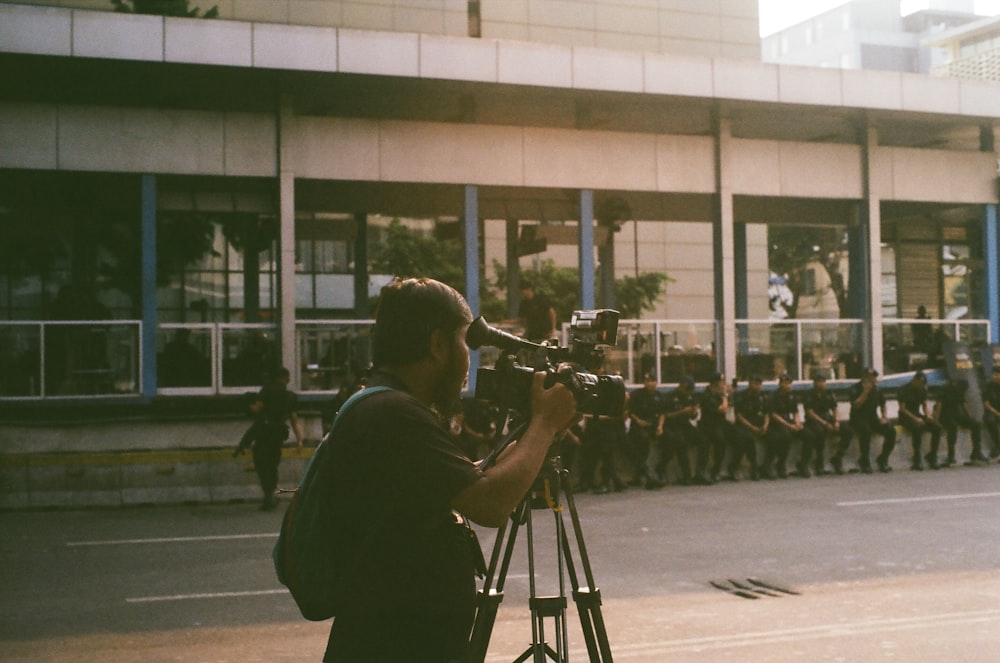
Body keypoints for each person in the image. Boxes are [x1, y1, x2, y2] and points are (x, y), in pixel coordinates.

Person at [322, 277, 577, 663]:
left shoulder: (380, 403)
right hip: (397, 646)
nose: (468, 359)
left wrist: (531, 435)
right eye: (464, 342)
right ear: (438, 344)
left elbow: (468, 480)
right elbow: (490, 504)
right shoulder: (395, 414)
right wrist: (543, 424)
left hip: (389, 639)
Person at [242, 367, 304, 510]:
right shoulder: (290, 397)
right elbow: (295, 421)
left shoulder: (267, 390)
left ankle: (269, 494)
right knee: (273, 463)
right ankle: (271, 494)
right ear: (286, 379)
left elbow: (257, 408)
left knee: (261, 463)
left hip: (264, 433)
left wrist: (247, 403)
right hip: (278, 435)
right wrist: (300, 440)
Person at [803, 372, 853, 475]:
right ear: (814, 383)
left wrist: (836, 421)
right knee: (819, 433)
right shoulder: (808, 394)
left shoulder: (829, 393)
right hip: (814, 420)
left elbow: (835, 409)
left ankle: (838, 457)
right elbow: (810, 413)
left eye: (823, 382)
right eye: (819, 382)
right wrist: (825, 423)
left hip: (827, 418)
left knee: (848, 430)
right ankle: (819, 462)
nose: (821, 384)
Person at [663, 375, 709, 485]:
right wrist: (681, 412)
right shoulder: (669, 396)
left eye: (690, 391)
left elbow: (693, 415)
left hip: (685, 424)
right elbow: (666, 415)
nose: (688, 393)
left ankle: (700, 472)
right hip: (672, 425)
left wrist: (693, 412)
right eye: (686, 390)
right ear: (681, 386)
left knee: (704, 441)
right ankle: (686, 474)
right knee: (681, 443)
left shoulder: (690, 397)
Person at [849, 368, 896, 473]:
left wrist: (884, 417)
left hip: (872, 418)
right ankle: (864, 460)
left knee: (890, 431)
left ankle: (883, 458)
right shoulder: (855, 388)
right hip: (858, 419)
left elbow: (883, 404)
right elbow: (856, 405)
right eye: (871, 377)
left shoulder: (877, 389)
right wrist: (865, 392)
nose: (873, 379)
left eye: (874, 377)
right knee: (866, 431)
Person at [627, 372, 666, 489]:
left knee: (671, 440)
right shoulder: (638, 395)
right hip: (638, 427)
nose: (649, 383)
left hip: (653, 426)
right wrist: (638, 421)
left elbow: (662, 413)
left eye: (651, 381)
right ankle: (649, 477)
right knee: (642, 442)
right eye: (647, 381)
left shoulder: (658, 396)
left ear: (656, 383)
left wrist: (660, 427)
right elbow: (629, 411)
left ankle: (659, 470)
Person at [898, 370, 943, 470]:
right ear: (915, 380)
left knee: (937, 428)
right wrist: (916, 419)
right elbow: (903, 409)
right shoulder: (904, 389)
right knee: (916, 428)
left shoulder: (922, 390)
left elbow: (924, 405)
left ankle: (932, 455)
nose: (921, 385)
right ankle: (917, 458)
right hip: (905, 417)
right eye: (920, 383)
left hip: (917, 414)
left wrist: (928, 415)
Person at [935, 378, 986, 466]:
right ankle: (951, 455)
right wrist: (936, 420)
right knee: (952, 427)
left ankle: (976, 452)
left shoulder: (960, 390)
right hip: (945, 415)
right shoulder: (945, 389)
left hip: (956, 414)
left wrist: (970, 417)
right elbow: (939, 404)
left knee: (976, 425)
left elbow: (963, 403)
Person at [699, 372, 736, 482]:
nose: (724, 384)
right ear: (716, 383)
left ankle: (733, 467)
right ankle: (714, 470)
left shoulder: (717, 393)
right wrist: (725, 395)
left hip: (721, 422)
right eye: (722, 382)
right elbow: (723, 409)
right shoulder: (707, 395)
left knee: (741, 436)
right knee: (720, 441)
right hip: (709, 424)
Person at [766, 373, 801, 479]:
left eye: (790, 384)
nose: (788, 386)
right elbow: (773, 415)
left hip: (787, 420)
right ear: (780, 384)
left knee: (808, 434)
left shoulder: (792, 395)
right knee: (784, 436)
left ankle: (803, 463)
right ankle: (774, 464)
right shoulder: (773, 396)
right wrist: (790, 426)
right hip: (775, 423)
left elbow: (795, 412)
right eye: (786, 384)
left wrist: (797, 423)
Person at [732, 375, 767, 481]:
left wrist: (765, 426)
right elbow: (739, 415)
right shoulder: (741, 395)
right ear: (750, 384)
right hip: (744, 424)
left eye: (759, 384)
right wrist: (752, 427)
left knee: (780, 436)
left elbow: (767, 413)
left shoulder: (762, 396)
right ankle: (746, 466)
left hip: (759, 423)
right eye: (755, 384)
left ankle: (767, 465)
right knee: (746, 438)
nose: (757, 386)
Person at [983, 366, 1000, 460]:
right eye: (993, 374)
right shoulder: (988, 386)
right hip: (993, 411)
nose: (994, 376)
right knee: (990, 420)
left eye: (997, 374)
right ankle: (997, 445)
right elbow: (986, 404)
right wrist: (997, 413)